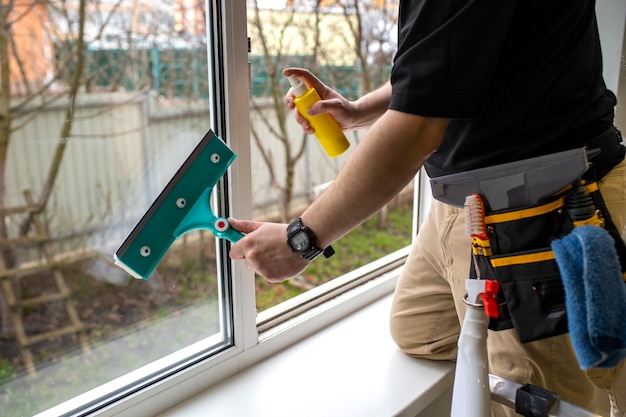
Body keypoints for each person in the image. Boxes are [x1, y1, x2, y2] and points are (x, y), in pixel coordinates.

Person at [229, 0, 626, 415]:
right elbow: (446, 66)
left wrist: (300, 240)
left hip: (539, 212)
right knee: (418, 331)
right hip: (463, 206)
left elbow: (416, 129)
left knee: (541, 397)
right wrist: (360, 110)